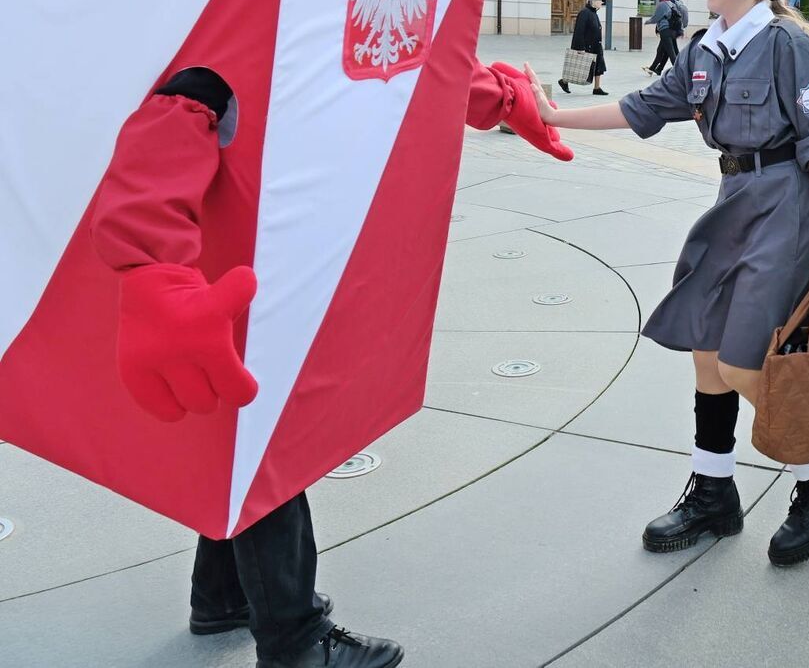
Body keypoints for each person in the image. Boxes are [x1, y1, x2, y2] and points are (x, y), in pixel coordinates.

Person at [89, 61, 569, 668]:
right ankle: (296, 641)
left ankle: (222, 593)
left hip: (272, 231)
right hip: (241, 242)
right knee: (264, 439)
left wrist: (499, 96)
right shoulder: (242, 4)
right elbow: (188, 94)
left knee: (237, 430)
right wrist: (150, 265)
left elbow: (402, 48)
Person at [525, 0, 809, 567]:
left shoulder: (790, 46)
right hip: (735, 203)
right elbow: (643, 107)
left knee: (741, 361)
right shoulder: (705, 46)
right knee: (707, 349)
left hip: (787, 207)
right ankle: (714, 492)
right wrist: (552, 113)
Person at [561, 0, 608, 95]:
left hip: (596, 45)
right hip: (587, 46)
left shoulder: (594, 13)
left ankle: (597, 88)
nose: (601, 2)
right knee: (578, 67)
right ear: (593, 1)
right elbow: (579, 31)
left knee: (599, 66)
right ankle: (564, 81)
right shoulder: (584, 13)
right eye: (600, 0)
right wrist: (580, 47)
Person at [644, 0, 681, 76]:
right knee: (661, 50)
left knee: (671, 53)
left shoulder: (662, 5)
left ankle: (679, 73)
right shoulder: (671, 3)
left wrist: (647, 22)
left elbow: (656, 18)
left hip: (665, 31)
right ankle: (654, 69)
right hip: (672, 30)